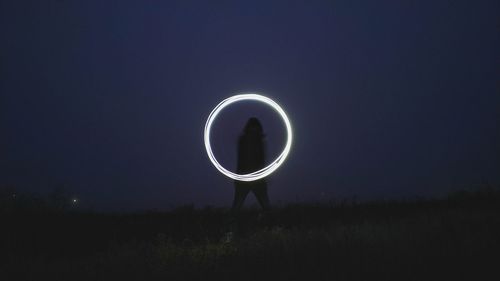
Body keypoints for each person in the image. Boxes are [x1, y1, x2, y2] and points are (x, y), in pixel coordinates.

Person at [231, 117, 271, 216]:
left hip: (257, 178)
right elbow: (242, 158)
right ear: (248, 128)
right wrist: (238, 176)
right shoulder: (244, 140)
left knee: (266, 206)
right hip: (244, 177)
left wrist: (264, 175)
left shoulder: (259, 140)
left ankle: (272, 226)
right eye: (252, 128)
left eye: (255, 128)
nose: (254, 130)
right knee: (237, 206)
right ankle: (230, 226)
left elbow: (262, 159)